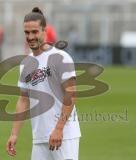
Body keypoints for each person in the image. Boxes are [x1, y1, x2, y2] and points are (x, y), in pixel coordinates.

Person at [6, 7, 81, 160]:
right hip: (39, 138)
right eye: (27, 33)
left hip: (64, 137)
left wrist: (59, 129)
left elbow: (71, 94)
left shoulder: (60, 57)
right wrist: (14, 134)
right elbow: (23, 99)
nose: (30, 37)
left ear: (44, 31)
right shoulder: (26, 63)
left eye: (35, 32)